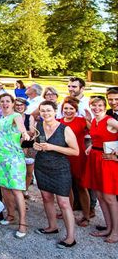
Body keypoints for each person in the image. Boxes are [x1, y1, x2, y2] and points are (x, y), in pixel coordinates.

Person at [33, 100, 80, 248]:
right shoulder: (38, 126)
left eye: (48, 110)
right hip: (41, 166)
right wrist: (36, 145)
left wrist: (53, 146)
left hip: (60, 169)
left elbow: (75, 151)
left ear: (55, 112)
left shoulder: (65, 129)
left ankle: (71, 237)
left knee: (63, 202)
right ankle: (52, 227)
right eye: (42, 111)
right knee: (46, 198)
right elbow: (39, 142)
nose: (45, 113)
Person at [0, 93, 31, 238]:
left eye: (7, 101)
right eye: (2, 101)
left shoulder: (16, 116)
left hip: (14, 158)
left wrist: (25, 134)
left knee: (16, 190)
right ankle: (10, 215)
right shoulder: (1, 117)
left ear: (12, 102)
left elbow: (22, 128)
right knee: (4, 188)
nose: (5, 104)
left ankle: (23, 224)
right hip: (1, 156)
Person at [82, 96, 118, 243]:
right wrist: (91, 146)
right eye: (94, 105)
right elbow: (98, 137)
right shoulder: (95, 121)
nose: (97, 108)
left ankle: (116, 231)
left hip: (107, 161)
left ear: (104, 106)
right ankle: (108, 227)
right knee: (101, 197)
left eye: (100, 105)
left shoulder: (109, 120)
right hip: (95, 159)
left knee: (109, 197)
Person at [58, 97, 91, 226]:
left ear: (76, 110)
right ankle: (68, 211)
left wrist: (91, 145)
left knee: (81, 186)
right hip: (63, 158)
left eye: (71, 108)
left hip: (78, 158)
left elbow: (95, 133)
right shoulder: (58, 122)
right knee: (67, 187)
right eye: (66, 108)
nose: (68, 111)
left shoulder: (82, 121)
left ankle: (86, 216)